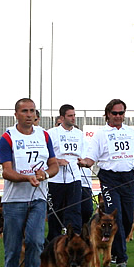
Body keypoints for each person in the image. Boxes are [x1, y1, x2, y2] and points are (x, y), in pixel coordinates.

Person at [78, 99, 134, 267]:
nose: (118, 116)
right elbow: (92, 158)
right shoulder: (100, 134)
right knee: (115, 216)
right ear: (107, 114)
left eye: (121, 113)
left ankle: (116, 250)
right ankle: (120, 256)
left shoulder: (131, 132)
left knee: (128, 218)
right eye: (115, 113)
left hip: (128, 178)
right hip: (109, 178)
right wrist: (85, 163)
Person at [0, 98, 59, 267]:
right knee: (13, 248)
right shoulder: (8, 137)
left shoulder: (44, 135)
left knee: (35, 242)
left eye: (32, 111)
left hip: (38, 199)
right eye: (24, 111)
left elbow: (54, 166)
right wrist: (27, 178)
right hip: (14, 201)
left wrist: (44, 175)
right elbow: (6, 171)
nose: (29, 114)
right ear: (16, 114)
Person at [46, 104, 84, 242]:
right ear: (62, 118)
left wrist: (83, 161)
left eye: (74, 115)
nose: (73, 118)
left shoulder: (79, 134)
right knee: (55, 212)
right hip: (55, 179)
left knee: (74, 210)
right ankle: (53, 242)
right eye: (70, 116)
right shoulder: (51, 133)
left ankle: (74, 240)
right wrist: (56, 161)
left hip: (74, 177)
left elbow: (84, 153)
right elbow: (45, 155)